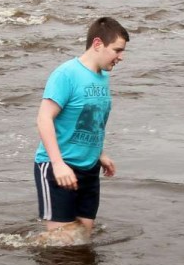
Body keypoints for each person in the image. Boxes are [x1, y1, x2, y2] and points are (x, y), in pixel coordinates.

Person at [34, 16, 129, 244]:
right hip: (59, 167)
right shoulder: (66, 74)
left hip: (89, 169)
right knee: (62, 247)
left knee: (82, 241)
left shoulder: (102, 77)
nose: (121, 57)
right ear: (98, 44)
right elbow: (43, 118)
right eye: (117, 50)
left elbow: (93, 119)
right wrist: (58, 165)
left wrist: (99, 153)